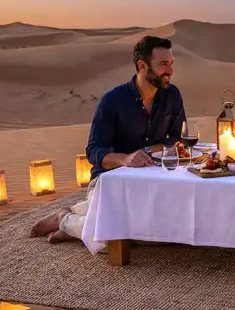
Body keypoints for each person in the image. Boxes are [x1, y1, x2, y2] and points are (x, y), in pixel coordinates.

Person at [29, 35, 186, 244]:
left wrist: (149, 151)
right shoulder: (112, 101)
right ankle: (65, 219)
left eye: (171, 63)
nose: (170, 71)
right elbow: (93, 150)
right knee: (112, 241)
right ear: (142, 66)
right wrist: (125, 159)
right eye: (164, 64)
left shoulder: (172, 95)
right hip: (108, 179)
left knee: (167, 231)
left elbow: (177, 138)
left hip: (152, 179)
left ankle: (82, 217)